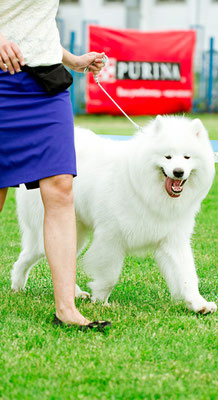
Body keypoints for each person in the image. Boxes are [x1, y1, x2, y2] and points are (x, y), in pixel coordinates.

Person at [0, 0, 109, 330]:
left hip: (46, 86)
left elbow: (33, 22)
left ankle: (66, 308)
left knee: (61, 187)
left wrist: (73, 60)